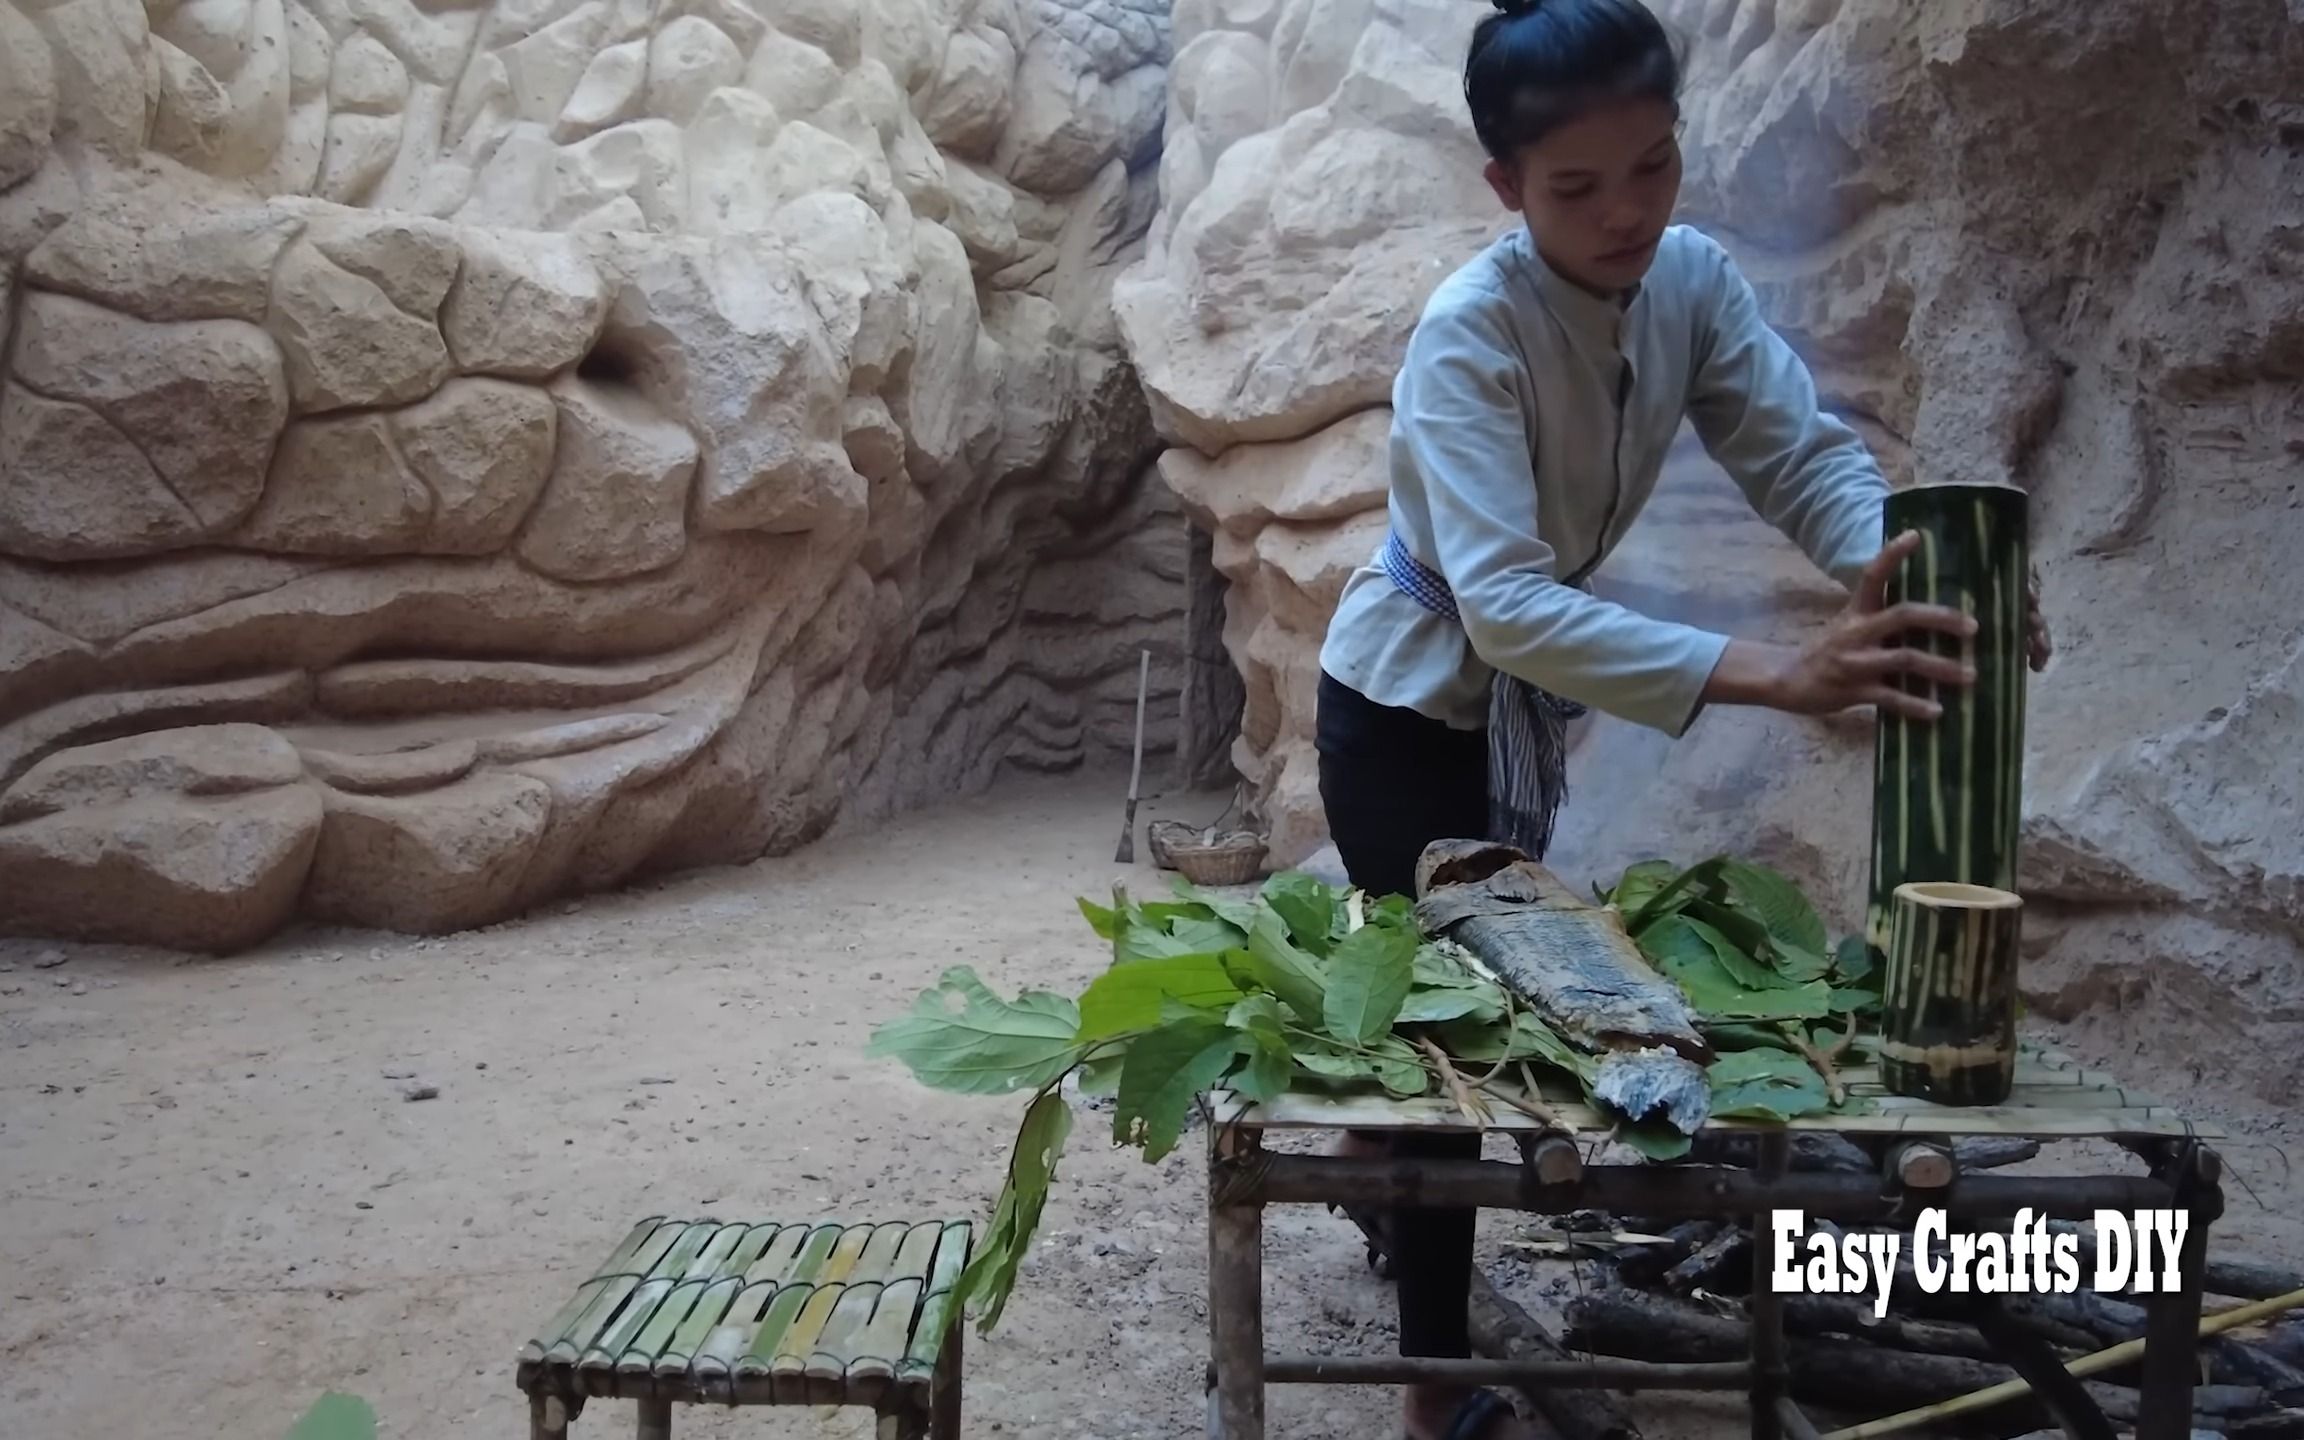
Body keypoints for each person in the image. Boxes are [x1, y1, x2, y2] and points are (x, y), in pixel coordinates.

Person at [1310, 2, 2052, 1439]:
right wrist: (1779, 672)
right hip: (1402, 710)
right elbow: (1511, 608)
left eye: (1652, 167)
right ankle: (1430, 1388)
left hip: (1512, 708)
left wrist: (1921, 580)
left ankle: (1375, 1173)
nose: (1627, 212)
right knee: (1457, 1030)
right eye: (1577, 187)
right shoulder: (1469, 338)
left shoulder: (1693, 285)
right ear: (1506, 189)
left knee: (1455, 1019)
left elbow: (1803, 457)